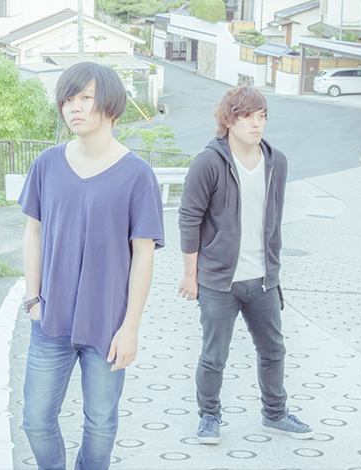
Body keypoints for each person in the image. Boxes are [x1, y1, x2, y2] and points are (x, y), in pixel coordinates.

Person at [18, 62, 164, 470]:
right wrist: (33, 300)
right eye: (68, 99)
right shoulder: (47, 163)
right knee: (35, 420)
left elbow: (144, 254)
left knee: (100, 423)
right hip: (51, 320)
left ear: (112, 105)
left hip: (108, 325)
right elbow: (33, 232)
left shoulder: (137, 175)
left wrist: (130, 327)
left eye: (86, 97)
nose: (74, 107)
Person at [178, 86, 314, 445]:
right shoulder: (208, 163)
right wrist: (190, 275)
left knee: (274, 350)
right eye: (247, 116)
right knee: (214, 356)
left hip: (263, 279)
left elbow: (274, 219)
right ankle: (209, 416)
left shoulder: (276, 161)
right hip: (218, 281)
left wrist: (274, 269)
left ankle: (275, 415)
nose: (257, 124)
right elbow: (189, 219)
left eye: (262, 116)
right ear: (228, 120)